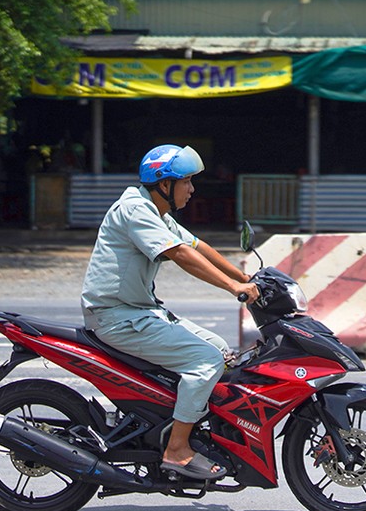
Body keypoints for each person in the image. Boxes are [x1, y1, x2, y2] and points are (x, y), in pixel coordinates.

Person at [81, 143, 257, 481]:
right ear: (165, 184)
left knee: (220, 351)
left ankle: (173, 425)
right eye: (186, 182)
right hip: (118, 317)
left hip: (139, 313)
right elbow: (180, 254)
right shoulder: (135, 210)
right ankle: (176, 449)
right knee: (205, 361)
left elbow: (196, 245)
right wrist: (233, 288)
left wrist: (245, 276)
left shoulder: (156, 212)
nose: (192, 190)